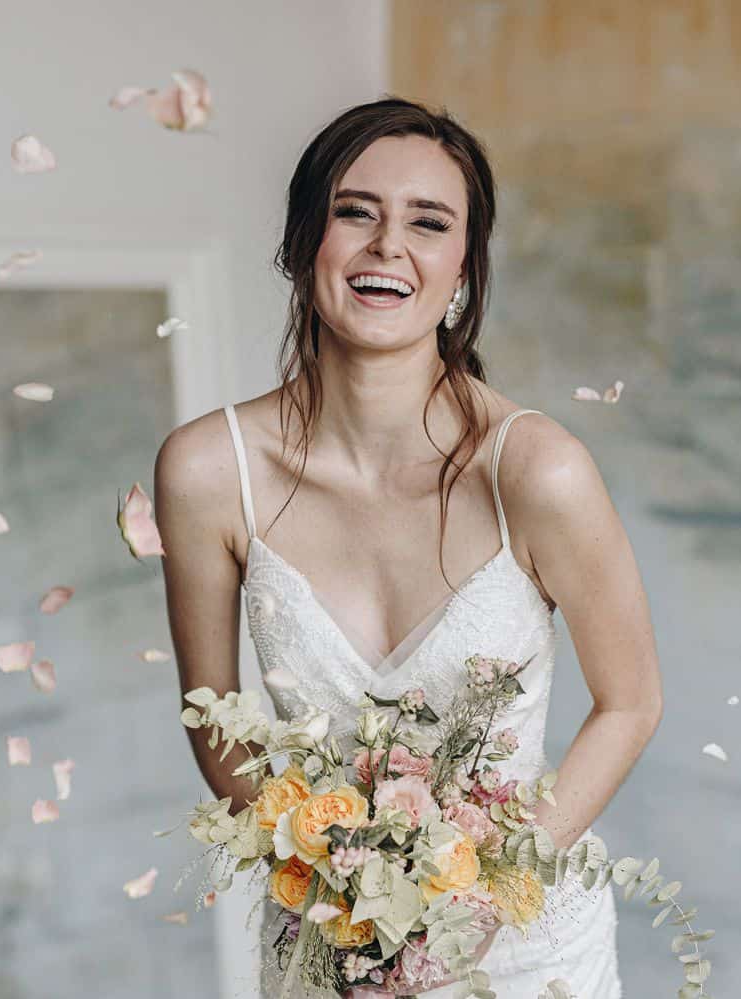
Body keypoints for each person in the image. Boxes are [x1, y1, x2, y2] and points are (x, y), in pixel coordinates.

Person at [155, 96, 662, 999]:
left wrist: (463, 904)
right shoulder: (207, 471)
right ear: (302, 239)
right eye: (357, 212)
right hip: (327, 943)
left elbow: (629, 703)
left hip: (526, 945)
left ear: (462, 267)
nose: (389, 246)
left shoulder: (538, 472)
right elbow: (213, 717)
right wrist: (333, 891)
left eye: (429, 223)